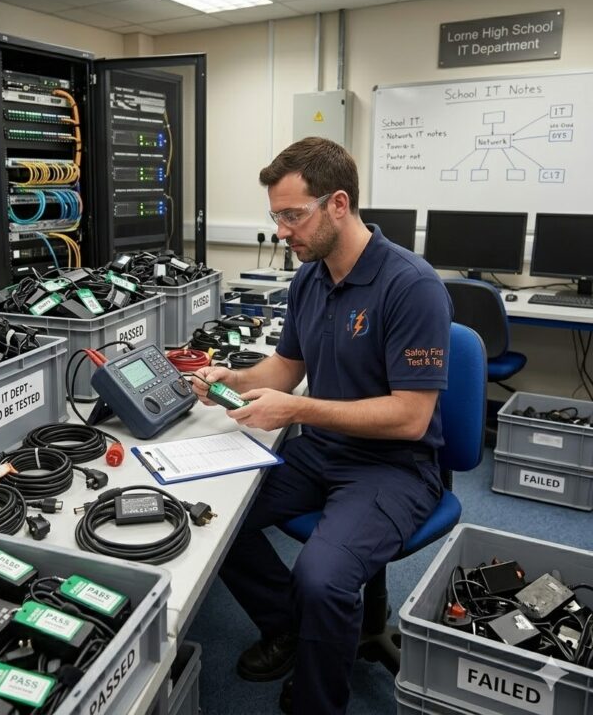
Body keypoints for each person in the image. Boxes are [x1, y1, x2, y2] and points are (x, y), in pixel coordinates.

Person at [191, 137, 453, 715]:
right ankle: (289, 629)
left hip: (394, 467)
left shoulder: (412, 285)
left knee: (322, 577)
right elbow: (286, 368)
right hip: (322, 452)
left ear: (338, 203)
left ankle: (317, 700)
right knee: (211, 520)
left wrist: (298, 410)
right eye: (275, 217)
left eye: (292, 215)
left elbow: (411, 419)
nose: (283, 231)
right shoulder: (310, 279)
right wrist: (229, 378)